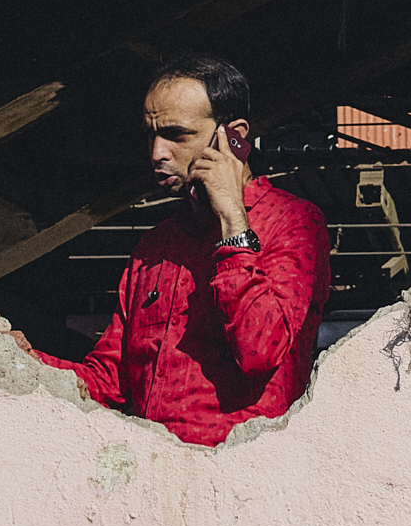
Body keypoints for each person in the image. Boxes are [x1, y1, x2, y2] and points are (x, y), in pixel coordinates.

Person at [68, 52, 330, 446]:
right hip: (156, 467)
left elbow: (260, 351)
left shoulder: (293, 222)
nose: (157, 153)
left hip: (244, 469)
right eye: (151, 135)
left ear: (234, 138)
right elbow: (109, 379)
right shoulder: (155, 245)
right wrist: (22, 359)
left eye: (177, 135)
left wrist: (232, 222)